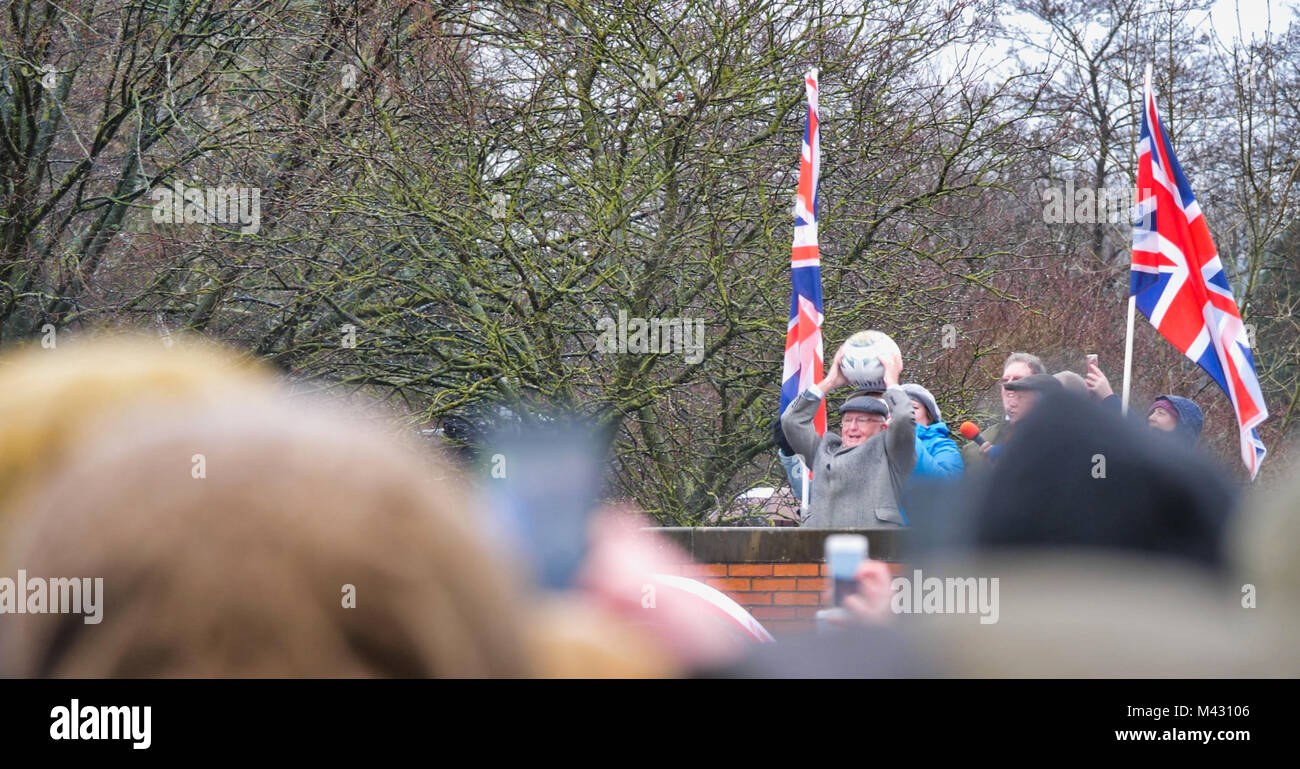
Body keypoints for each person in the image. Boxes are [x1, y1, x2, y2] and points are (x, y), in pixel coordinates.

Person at [779, 341, 915, 527]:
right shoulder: (823, 451)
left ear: (883, 427)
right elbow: (791, 420)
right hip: (819, 551)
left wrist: (891, 382)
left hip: (873, 550)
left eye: (862, 420)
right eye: (847, 420)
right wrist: (829, 382)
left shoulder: (893, 455)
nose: (852, 427)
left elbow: (904, 418)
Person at [1083, 361, 1204, 444]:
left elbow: (1137, 434)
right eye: (1152, 413)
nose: (1151, 417)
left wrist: (1109, 397)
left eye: (1161, 413)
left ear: (1181, 423)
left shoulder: (1177, 463)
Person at [960, 352, 1046, 467]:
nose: (1008, 386)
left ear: (1038, 390)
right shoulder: (972, 452)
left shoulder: (1060, 441)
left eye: (1018, 380)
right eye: (1005, 381)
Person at [901, 383, 963, 480]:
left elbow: (949, 484)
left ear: (929, 417)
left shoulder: (941, 445)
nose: (905, 412)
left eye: (914, 407)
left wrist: (907, 437)